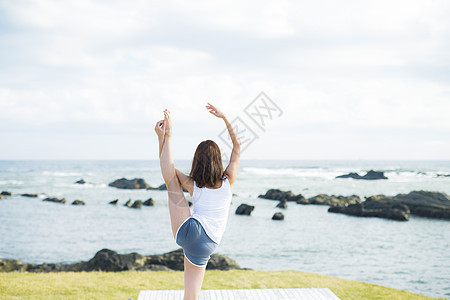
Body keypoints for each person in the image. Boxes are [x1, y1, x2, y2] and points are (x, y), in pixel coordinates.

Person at [154, 103, 241, 300]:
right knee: (191, 296)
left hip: (190, 227)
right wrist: (224, 117)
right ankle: (167, 137)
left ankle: (169, 136)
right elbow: (237, 146)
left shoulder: (194, 184)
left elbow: (167, 168)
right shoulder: (229, 180)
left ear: (197, 161)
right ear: (218, 159)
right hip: (208, 244)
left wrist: (163, 138)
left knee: (171, 181)